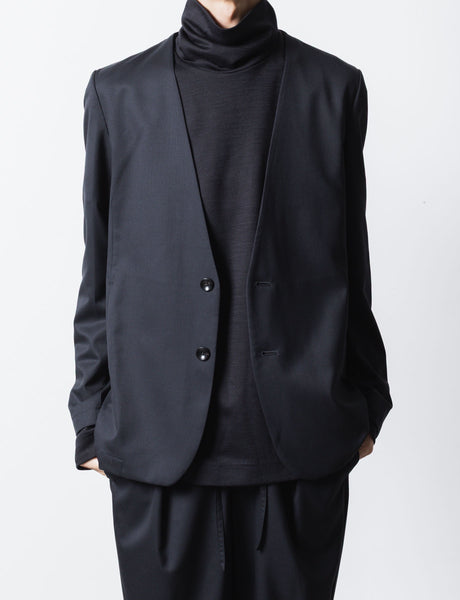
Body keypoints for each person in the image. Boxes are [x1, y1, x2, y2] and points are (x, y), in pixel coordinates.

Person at [68, 0, 393, 598]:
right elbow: (101, 269)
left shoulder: (334, 87)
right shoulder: (118, 93)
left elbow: (351, 257)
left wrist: (368, 401)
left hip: (300, 452)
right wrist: (91, 418)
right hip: (156, 456)